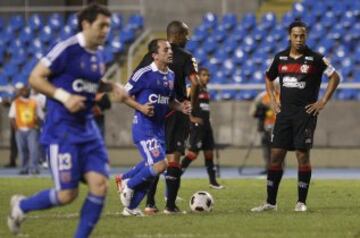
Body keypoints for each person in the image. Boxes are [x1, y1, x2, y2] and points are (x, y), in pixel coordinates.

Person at [7, 4, 128, 237]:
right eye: (101, 25)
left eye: (108, 27)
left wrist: (112, 86)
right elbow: (35, 78)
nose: (106, 31)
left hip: (88, 130)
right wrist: (64, 96)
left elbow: (92, 83)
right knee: (67, 195)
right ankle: (21, 206)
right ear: (85, 24)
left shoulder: (98, 55)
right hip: (62, 131)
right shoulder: (66, 48)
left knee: (100, 186)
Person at [251, 20, 340, 213]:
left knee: (302, 155)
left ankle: (301, 202)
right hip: (283, 115)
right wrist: (273, 100)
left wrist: (322, 101)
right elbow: (268, 76)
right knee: (275, 156)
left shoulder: (316, 58)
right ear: (289, 36)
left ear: (306, 36)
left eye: (302, 35)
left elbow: (335, 77)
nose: (299, 39)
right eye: (295, 35)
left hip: (305, 115)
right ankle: (271, 203)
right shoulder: (280, 58)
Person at [116, 21, 199, 214]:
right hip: (144, 126)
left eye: (170, 49)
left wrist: (182, 107)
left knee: (153, 167)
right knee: (160, 165)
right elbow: (121, 94)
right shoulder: (144, 73)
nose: (170, 52)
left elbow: (169, 101)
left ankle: (130, 207)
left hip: (159, 128)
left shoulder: (170, 75)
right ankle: (129, 184)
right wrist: (141, 108)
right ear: (155, 55)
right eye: (165, 50)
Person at [180, 67, 223, 189]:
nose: (207, 77)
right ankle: (175, 176)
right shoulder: (193, 87)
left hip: (206, 126)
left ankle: (213, 182)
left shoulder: (205, 89)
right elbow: (185, 102)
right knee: (193, 154)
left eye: (208, 75)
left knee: (209, 154)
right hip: (197, 126)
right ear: (198, 76)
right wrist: (191, 117)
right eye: (204, 75)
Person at [8, 84, 44, 175]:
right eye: (23, 91)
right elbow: (12, 117)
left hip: (32, 129)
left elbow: (40, 116)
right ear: (20, 92)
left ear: (29, 91)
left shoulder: (34, 102)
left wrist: (38, 127)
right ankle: (24, 168)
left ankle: (34, 168)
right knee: (22, 150)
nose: (25, 92)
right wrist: (16, 129)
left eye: (27, 90)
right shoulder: (15, 102)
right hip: (20, 129)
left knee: (34, 150)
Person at [249, 80, 280, 175]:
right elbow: (253, 111)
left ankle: (278, 167)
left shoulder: (282, 96)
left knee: (278, 148)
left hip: (278, 126)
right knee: (266, 147)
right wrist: (259, 112)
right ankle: (267, 167)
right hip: (265, 125)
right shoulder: (262, 96)